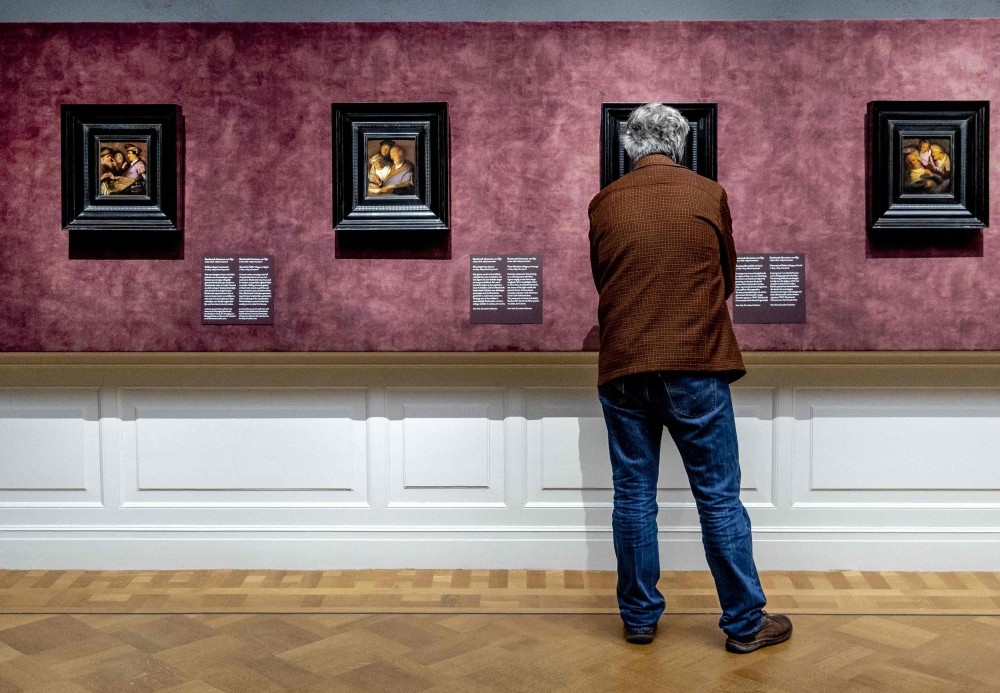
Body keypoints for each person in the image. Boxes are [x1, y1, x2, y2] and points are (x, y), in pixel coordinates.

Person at [587, 103, 792, 654]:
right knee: (719, 498)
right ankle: (746, 624)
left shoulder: (604, 203)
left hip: (625, 364)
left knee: (633, 496)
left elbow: (603, 277)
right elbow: (725, 276)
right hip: (696, 361)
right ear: (679, 143)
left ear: (631, 147)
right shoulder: (708, 194)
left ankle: (638, 618)